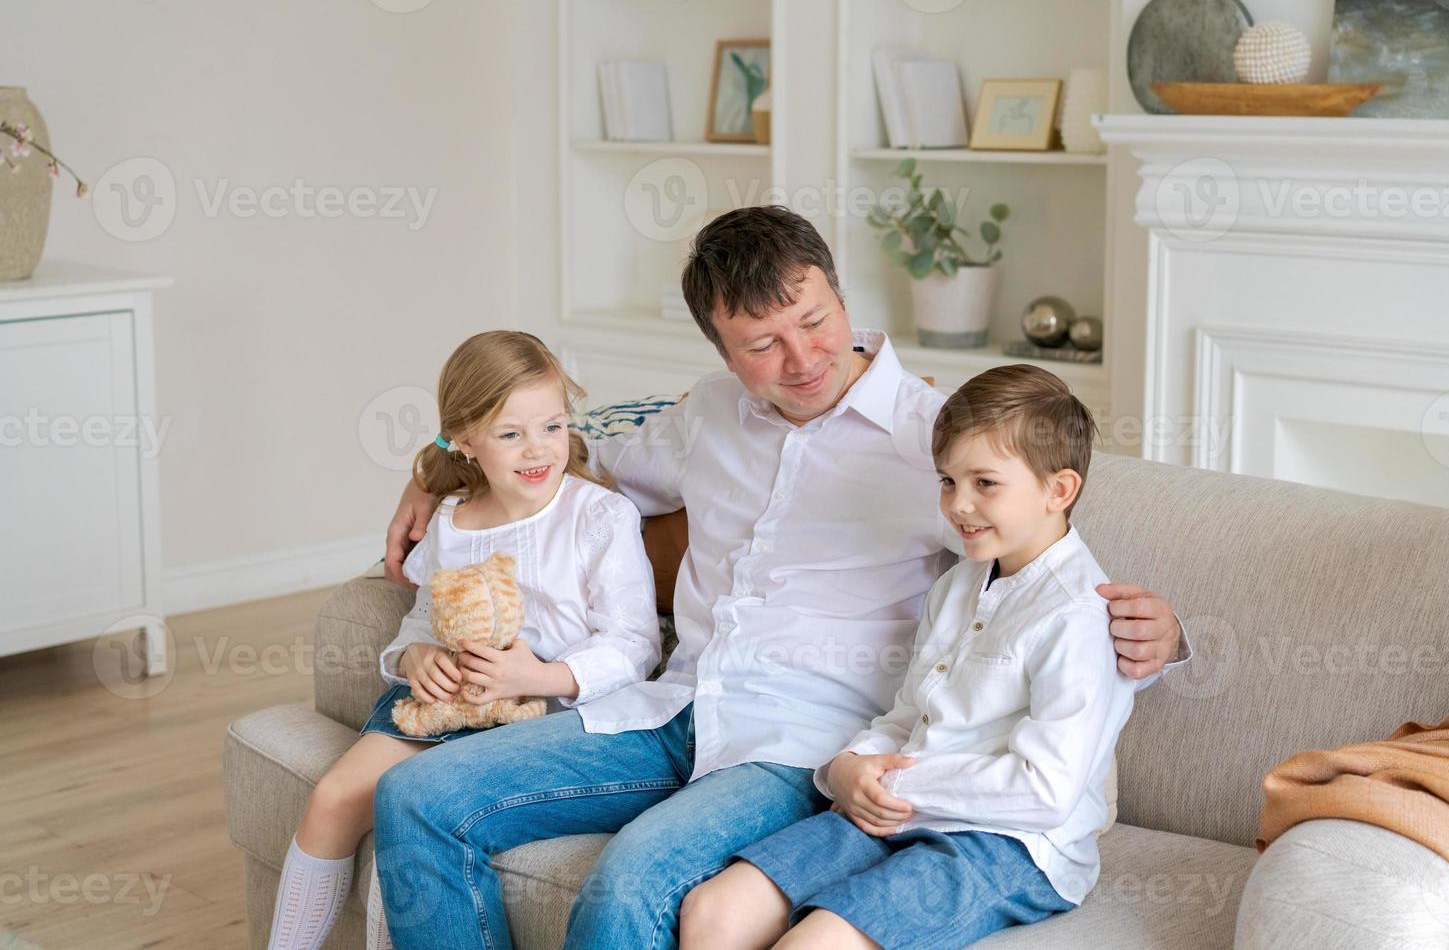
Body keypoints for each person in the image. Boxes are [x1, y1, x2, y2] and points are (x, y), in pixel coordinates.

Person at [374, 207, 1188, 950]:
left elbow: (1042, 554)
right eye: (762, 345)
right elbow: (574, 452)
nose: (802, 360)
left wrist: (1165, 634)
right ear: (721, 350)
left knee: (629, 889)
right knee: (416, 800)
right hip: (670, 706)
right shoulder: (707, 413)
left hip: (801, 747)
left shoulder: (935, 443)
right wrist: (450, 472)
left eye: (815, 321)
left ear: (840, 294)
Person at [681, 365, 1135, 949]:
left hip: (1009, 842)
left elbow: (1044, 789)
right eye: (947, 481)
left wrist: (901, 787)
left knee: (814, 945)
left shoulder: (1077, 616)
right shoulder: (956, 587)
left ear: (1059, 490)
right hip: (899, 811)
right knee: (714, 910)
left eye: (985, 483)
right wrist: (847, 766)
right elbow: (908, 717)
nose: (959, 505)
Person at [266, 331, 659, 950]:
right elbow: (423, 620)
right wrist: (414, 657)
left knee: (406, 823)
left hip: (540, 711)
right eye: (510, 434)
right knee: (335, 798)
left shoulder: (598, 516)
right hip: (446, 703)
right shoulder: (449, 519)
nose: (538, 450)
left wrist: (541, 677)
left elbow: (636, 644)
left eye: (553, 427)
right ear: (466, 441)